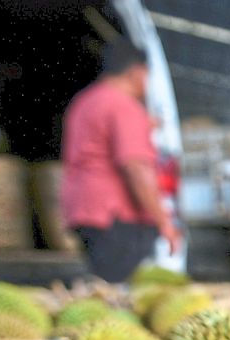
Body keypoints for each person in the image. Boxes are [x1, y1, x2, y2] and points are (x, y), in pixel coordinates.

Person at [60, 39, 178, 283]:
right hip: (115, 215)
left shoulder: (85, 101)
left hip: (84, 209)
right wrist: (165, 223)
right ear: (137, 71)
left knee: (102, 283)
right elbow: (136, 167)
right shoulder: (124, 106)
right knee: (120, 293)